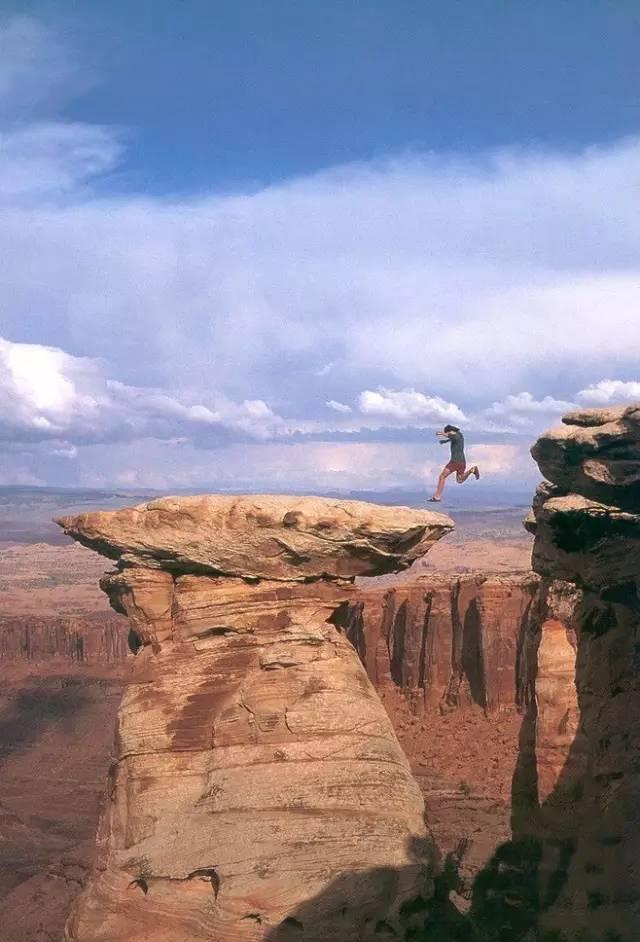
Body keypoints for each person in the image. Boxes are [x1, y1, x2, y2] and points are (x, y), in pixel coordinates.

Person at [428, 424, 479, 502]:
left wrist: (442, 433)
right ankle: (472, 470)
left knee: (442, 476)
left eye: (449, 433)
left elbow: (452, 436)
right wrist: (443, 441)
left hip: (455, 461)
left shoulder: (455, 435)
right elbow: (452, 438)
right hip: (462, 461)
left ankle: (437, 496)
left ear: (451, 431)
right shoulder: (460, 435)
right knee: (460, 480)